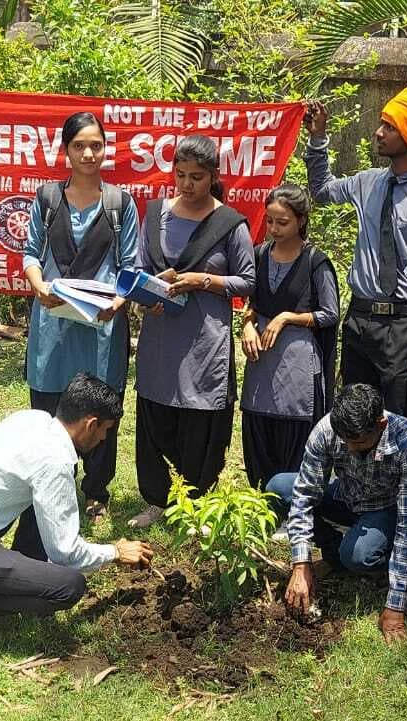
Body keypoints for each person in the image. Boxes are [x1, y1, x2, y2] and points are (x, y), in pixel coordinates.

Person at [0, 373, 155, 650]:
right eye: (105, 430)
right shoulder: (54, 461)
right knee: (68, 587)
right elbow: (66, 553)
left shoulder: (32, 420)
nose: (104, 438)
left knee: (44, 508)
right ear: (91, 424)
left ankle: (15, 577)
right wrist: (115, 552)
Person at [19, 111, 138, 538]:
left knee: (101, 409)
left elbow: (130, 265)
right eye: (79, 146)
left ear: (106, 150)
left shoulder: (120, 204)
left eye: (96, 145)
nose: (88, 153)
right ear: (65, 150)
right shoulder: (48, 199)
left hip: (102, 328)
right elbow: (31, 252)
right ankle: (54, 484)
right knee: (48, 409)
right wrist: (38, 286)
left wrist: (119, 302)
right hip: (53, 324)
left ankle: (96, 492)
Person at [128, 135, 255, 529]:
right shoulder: (155, 215)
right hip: (160, 337)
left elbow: (248, 280)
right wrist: (147, 292)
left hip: (205, 342)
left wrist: (204, 281)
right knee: (156, 414)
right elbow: (139, 267)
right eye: (180, 175)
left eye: (196, 177)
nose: (187, 184)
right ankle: (156, 500)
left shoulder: (229, 223)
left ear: (213, 176)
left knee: (199, 420)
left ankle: (197, 504)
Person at [304, 88, 407, 419]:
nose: (378, 133)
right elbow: (322, 191)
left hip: (403, 324)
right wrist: (318, 138)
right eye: (382, 124)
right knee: (354, 417)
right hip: (359, 319)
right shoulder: (367, 182)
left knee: (397, 418)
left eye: (390, 126)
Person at [268, 383, 407, 643]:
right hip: (345, 497)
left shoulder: (406, 439)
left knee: (357, 556)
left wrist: (395, 607)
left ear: (380, 425)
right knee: (278, 488)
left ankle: (377, 562)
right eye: (345, 441)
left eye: (359, 443)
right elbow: (305, 496)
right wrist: (301, 564)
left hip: (383, 510)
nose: (350, 449)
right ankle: (334, 556)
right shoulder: (327, 429)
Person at [240, 185, 339, 491]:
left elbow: (330, 313)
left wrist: (287, 317)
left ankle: (295, 502)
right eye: (270, 221)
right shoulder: (259, 255)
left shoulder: (315, 262)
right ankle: (261, 500)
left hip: (297, 369)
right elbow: (250, 302)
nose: (274, 229)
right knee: (258, 432)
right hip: (261, 365)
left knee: (296, 440)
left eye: (282, 222)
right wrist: (247, 324)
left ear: (301, 220)